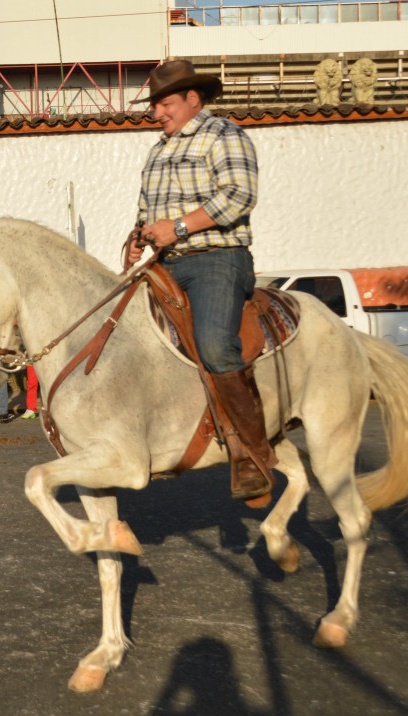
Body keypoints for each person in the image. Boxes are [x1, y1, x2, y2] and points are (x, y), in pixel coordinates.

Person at [127, 58, 275, 502]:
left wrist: (179, 227)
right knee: (124, 333)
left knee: (214, 344)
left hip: (218, 259)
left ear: (194, 99)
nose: (157, 113)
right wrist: (139, 236)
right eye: (155, 106)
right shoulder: (158, 150)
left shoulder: (225, 135)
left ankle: (252, 454)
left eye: (165, 103)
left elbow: (239, 196)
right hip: (166, 263)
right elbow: (147, 210)